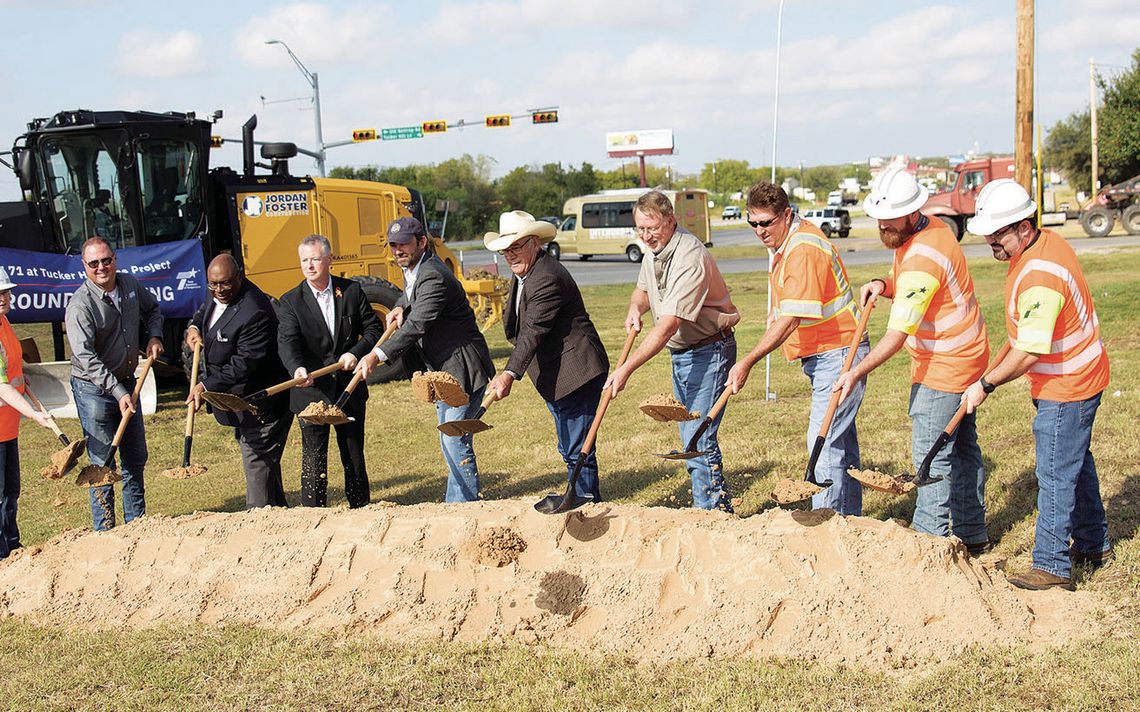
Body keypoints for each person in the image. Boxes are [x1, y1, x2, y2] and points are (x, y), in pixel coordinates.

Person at [962, 179, 1111, 590]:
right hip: (1077, 376)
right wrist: (984, 375)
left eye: (998, 234)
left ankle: (1051, 565)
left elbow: (1029, 350)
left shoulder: (1040, 274)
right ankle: (1094, 543)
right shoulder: (1043, 245)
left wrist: (986, 385)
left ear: (1024, 228)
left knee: (1055, 472)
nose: (990, 242)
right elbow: (1022, 336)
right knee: (1075, 464)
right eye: (987, 234)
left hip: (1069, 384)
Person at [833, 168, 990, 553]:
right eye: (879, 218)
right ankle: (972, 533)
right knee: (962, 448)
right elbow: (904, 280)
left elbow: (896, 335)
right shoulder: (928, 229)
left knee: (931, 456)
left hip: (946, 363)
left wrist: (855, 371)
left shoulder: (923, 255)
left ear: (912, 211)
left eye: (891, 218)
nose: (883, 225)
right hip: (966, 353)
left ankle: (928, 542)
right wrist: (883, 285)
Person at [726, 182, 868, 515]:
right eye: (753, 223)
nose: (759, 231)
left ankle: (828, 524)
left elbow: (791, 319)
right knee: (840, 445)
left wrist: (747, 361)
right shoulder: (786, 241)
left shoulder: (803, 248)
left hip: (839, 353)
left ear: (786, 215)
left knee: (824, 445)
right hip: (827, 352)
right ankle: (848, 523)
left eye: (766, 223)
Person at [605, 191, 741, 512]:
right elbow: (642, 291)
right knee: (691, 437)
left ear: (670, 221)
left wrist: (626, 369)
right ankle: (711, 508)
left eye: (652, 228)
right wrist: (635, 309)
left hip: (710, 351)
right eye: (640, 229)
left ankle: (711, 516)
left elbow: (667, 326)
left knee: (698, 440)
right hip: (683, 354)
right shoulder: (655, 251)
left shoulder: (688, 256)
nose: (646, 236)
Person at [357, 217, 495, 502]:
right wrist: (398, 306)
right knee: (449, 438)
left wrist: (377, 355)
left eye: (404, 244)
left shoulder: (433, 273)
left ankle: (463, 506)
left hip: (462, 366)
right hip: (441, 368)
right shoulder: (415, 269)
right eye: (393, 245)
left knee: (454, 437)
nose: (397, 250)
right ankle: (455, 503)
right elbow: (411, 296)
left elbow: (418, 324)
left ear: (421, 242)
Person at [484, 211, 610, 508]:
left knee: (579, 448)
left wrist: (509, 373)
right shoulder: (524, 273)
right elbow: (519, 328)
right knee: (569, 445)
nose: (510, 255)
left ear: (535, 242)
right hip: (556, 373)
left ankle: (586, 504)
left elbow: (533, 330)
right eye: (506, 250)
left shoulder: (546, 276)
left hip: (577, 370)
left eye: (516, 247)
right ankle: (582, 498)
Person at [66, 237, 164, 531]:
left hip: (127, 383)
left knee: (135, 458)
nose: (101, 267)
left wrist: (155, 336)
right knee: (102, 463)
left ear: (115, 260)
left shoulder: (130, 285)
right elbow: (86, 358)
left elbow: (153, 309)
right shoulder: (80, 306)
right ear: (84, 266)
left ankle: (136, 527)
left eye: (106, 260)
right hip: (93, 390)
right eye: (94, 263)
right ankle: (105, 532)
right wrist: (119, 392)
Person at [277, 234, 381, 508]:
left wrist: (355, 353)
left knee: (353, 453)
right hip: (311, 391)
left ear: (329, 259)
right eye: (304, 260)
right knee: (313, 457)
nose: (309, 265)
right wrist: (297, 368)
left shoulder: (352, 291)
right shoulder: (290, 302)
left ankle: (361, 509)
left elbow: (373, 329)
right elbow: (287, 343)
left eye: (315, 259)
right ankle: (314, 513)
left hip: (349, 388)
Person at [186, 254, 292, 509]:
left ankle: (258, 520)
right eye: (213, 284)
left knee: (256, 459)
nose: (219, 290)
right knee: (265, 463)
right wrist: (193, 327)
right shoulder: (217, 293)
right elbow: (205, 311)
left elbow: (244, 363)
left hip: (262, 401)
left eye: (225, 284)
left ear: (240, 277)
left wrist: (206, 386)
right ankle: (277, 512)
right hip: (237, 401)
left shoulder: (254, 310)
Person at [0, 267, 52, 558]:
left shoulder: (4, 323)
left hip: (7, 426)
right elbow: (1, 387)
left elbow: (9, 370)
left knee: (10, 492)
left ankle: (12, 547)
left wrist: (20, 376)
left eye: (6, 292)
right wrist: (34, 414)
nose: (4, 297)